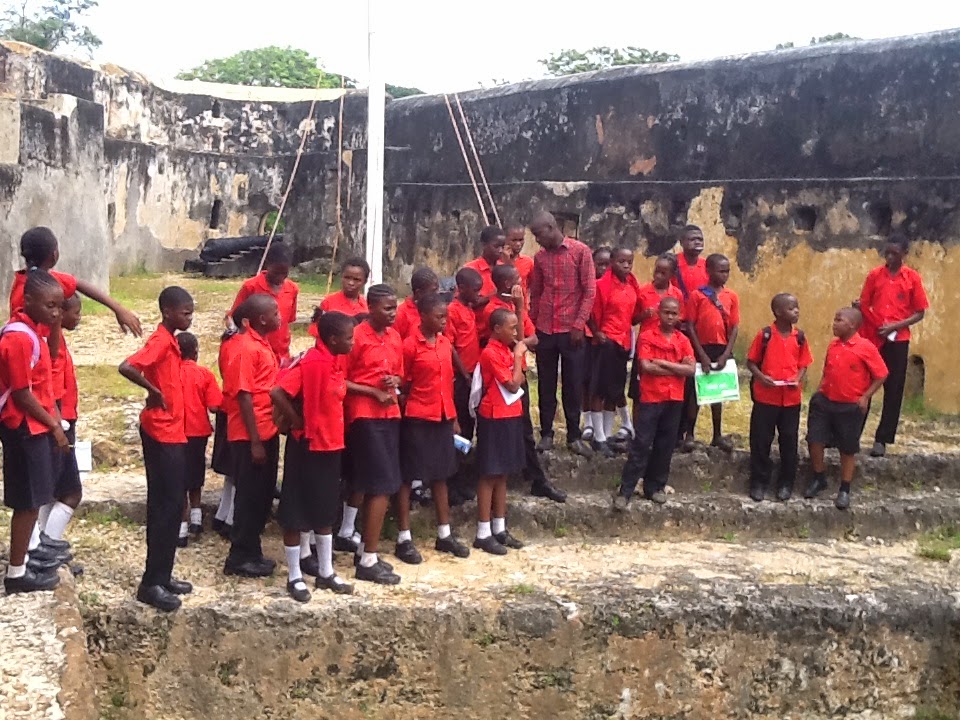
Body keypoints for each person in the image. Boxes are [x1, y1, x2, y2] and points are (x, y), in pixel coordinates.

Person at [119, 286, 195, 611]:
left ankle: (163, 575)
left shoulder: (171, 341)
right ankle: (151, 583)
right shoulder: (161, 341)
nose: (190, 318)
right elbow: (127, 366)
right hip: (161, 433)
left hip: (173, 431)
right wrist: (153, 390)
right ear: (168, 312)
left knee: (173, 505)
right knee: (166, 506)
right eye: (185, 313)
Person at [271, 311, 357, 601]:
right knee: (296, 511)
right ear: (332, 339)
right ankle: (295, 576)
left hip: (331, 445)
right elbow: (277, 392)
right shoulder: (311, 362)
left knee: (325, 510)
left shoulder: (334, 361)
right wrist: (297, 420)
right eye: (348, 338)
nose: (352, 342)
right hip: (307, 445)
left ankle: (325, 572)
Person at [1, 270, 70, 595]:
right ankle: (17, 573)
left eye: (59, 307)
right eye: (49, 306)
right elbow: (22, 394)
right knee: (27, 502)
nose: (55, 313)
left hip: (34, 425)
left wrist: (54, 323)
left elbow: (49, 364)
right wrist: (54, 425)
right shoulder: (18, 338)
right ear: (27, 301)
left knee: (33, 499)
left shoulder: (35, 332)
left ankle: (25, 561)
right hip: (23, 427)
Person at [478, 264, 565, 503]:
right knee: (516, 429)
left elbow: (532, 337)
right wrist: (519, 312)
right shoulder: (495, 311)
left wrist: (521, 338)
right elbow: (514, 341)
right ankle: (530, 477)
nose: (522, 284)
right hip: (503, 378)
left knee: (525, 428)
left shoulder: (516, 308)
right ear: (508, 284)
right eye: (518, 280)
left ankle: (535, 478)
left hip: (519, 373)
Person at [395, 293, 470, 562]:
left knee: (442, 475)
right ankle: (404, 538)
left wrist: (453, 418)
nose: (444, 321)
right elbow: (402, 383)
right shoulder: (409, 346)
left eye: (445, 317)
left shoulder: (444, 343)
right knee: (408, 477)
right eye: (439, 317)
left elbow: (447, 383)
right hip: (417, 417)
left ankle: (444, 534)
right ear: (423, 316)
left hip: (442, 417)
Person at [343, 284, 404, 585]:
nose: (393, 313)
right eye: (387, 308)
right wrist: (371, 392)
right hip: (365, 415)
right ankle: (368, 558)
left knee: (382, 483)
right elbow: (340, 379)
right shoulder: (356, 337)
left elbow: (401, 372)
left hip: (390, 413)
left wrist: (395, 380)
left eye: (395, 308)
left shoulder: (395, 337)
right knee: (379, 485)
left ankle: (365, 550)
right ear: (371, 308)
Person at [613, 297, 695, 509]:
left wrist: (662, 363)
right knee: (641, 444)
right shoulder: (647, 336)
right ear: (659, 313)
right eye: (666, 312)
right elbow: (646, 367)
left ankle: (655, 487)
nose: (670, 317)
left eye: (674, 313)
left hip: (674, 398)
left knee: (665, 445)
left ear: (679, 316)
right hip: (651, 397)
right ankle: (626, 490)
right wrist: (676, 367)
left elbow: (690, 370)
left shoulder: (683, 340)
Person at [221, 294, 282, 578]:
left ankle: (252, 551)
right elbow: (244, 395)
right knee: (249, 496)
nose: (280, 317)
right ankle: (239, 556)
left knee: (262, 495)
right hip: (250, 435)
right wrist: (255, 441)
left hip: (267, 429)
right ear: (259, 320)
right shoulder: (245, 348)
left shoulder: (262, 344)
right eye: (275, 313)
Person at [528, 211, 596, 457]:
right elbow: (536, 293)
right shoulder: (540, 258)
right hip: (546, 328)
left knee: (573, 384)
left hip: (571, 330)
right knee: (545, 384)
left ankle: (573, 435)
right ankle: (546, 433)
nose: (537, 240)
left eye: (539, 234)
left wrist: (579, 324)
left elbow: (589, 291)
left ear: (551, 227)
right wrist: (532, 326)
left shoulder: (580, 251)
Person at [805, 308, 888, 510]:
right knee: (814, 439)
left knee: (848, 448)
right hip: (825, 401)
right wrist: (818, 393)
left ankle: (845, 488)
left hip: (849, 406)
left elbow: (882, 374)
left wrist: (865, 396)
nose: (834, 323)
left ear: (851, 324)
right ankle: (819, 477)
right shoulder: (833, 345)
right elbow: (827, 371)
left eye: (838, 320)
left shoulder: (865, 347)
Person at [858, 234, 929, 457]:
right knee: (863, 383)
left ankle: (882, 438)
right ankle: (852, 434)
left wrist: (895, 326)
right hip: (874, 336)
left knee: (894, 388)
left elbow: (920, 312)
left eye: (894, 254)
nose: (889, 257)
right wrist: (868, 317)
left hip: (898, 339)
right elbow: (864, 303)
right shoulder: (874, 275)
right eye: (886, 253)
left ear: (904, 254)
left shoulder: (912, 278)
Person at [9, 227, 142, 339]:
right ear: (54, 255)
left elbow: (78, 284)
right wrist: (119, 310)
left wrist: (118, 309)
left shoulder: (39, 281)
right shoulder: (35, 290)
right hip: (41, 359)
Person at [745, 294, 813, 502]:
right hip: (766, 398)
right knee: (760, 440)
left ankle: (786, 483)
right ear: (778, 312)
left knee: (789, 441)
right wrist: (761, 377)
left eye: (797, 307)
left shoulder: (800, 337)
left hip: (790, 399)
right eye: (791, 308)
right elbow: (751, 362)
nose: (796, 311)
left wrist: (797, 378)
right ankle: (758, 482)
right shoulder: (765, 335)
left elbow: (803, 364)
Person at [473, 308, 528, 555]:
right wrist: (517, 358)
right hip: (493, 415)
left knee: (502, 473)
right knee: (489, 473)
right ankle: (483, 531)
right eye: (512, 328)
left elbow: (522, 377)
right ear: (497, 329)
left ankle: (499, 526)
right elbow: (513, 383)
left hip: (511, 414)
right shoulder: (490, 353)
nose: (515, 333)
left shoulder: (507, 350)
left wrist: (516, 360)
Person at [586, 247, 641, 457]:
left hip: (623, 343)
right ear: (612, 262)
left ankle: (607, 435)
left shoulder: (632, 285)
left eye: (630, 262)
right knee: (599, 390)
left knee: (614, 391)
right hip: (606, 342)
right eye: (621, 261)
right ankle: (598, 437)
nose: (626, 265)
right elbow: (590, 313)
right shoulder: (602, 285)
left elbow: (632, 316)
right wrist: (597, 332)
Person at [38, 293, 83, 548]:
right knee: (71, 493)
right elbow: (51, 388)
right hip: (60, 423)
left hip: (62, 420)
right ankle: (48, 546)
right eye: (76, 313)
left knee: (52, 491)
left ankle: (41, 546)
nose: (79, 318)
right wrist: (58, 427)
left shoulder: (56, 340)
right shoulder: (52, 345)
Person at [683, 253, 739, 452]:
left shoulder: (731, 296)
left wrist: (726, 354)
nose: (725, 275)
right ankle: (690, 433)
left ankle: (717, 434)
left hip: (721, 348)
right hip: (701, 347)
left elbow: (734, 327)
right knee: (695, 392)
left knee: (717, 391)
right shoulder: (697, 295)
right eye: (720, 271)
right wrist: (702, 355)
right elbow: (690, 325)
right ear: (708, 271)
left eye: (727, 271)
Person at [177, 332, 223, 545]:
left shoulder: (171, 374)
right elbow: (214, 406)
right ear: (195, 351)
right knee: (196, 475)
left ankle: (181, 528)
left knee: (179, 480)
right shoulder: (204, 374)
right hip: (198, 432)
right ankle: (196, 518)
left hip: (176, 432)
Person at [631, 254, 684, 427]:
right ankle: (638, 430)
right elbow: (633, 319)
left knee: (663, 389)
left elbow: (680, 322)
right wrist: (644, 315)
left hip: (667, 349)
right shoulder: (643, 291)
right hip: (646, 347)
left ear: (672, 275)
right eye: (656, 271)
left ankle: (661, 429)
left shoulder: (676, 294)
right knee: (639, 391)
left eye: (663, 273)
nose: (658, 276)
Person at [210, 304, 247, 541]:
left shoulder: (229, 342)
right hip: (238, 411)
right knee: (238, 468)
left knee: (232, 470)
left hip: (229, 407)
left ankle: (223, 514)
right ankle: (232, 519)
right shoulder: (240, 346)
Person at [228, 243, 298, 363]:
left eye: (284, 273)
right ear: (267, 264)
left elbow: (289, 320)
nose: (280, 277)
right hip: (256, 352)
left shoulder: (292, 289)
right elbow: (235, 317)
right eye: (276, 272)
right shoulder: (251, 286)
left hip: (281, 353)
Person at [581, 247, 612, 445]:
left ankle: (605, 428)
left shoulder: (615, 286)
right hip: (587, 336)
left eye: (607, 265)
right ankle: (588, 422)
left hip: (607, 339)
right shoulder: (587, 285)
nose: (603, 269)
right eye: (599, 264)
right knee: (585, 381)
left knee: (603, 384)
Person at [310, 256, 371, 337]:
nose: (351, 283)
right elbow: (316, 331)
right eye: (347, 278)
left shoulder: (367, 306)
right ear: (341, 276)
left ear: (365, 281)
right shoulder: (329, 303)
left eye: (356, 279)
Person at [394, 267, 440, 340]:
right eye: (433, 291)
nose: (437, 293)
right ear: (419, 293)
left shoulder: (437, 308)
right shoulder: (401, 314)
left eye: (438, 289)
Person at [465, 225, 506, 298]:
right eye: (496, 246)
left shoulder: (503, 268)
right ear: (484, 245)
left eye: (503, 247)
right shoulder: (471, 269)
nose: (500, 250)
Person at [671, 225, 709, 300]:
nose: (697, 242)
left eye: (700, 240)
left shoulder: (708, 265)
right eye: (692, 239)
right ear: (681, 242)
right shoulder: (672, 263)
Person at [501, 224, 534, 299]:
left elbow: (533, 286)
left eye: (521, 240)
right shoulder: (496, 262)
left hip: (522, 304)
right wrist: (507, 261)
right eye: (514, 240)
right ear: (505, 240)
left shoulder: (528, 261)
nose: (518, 244)